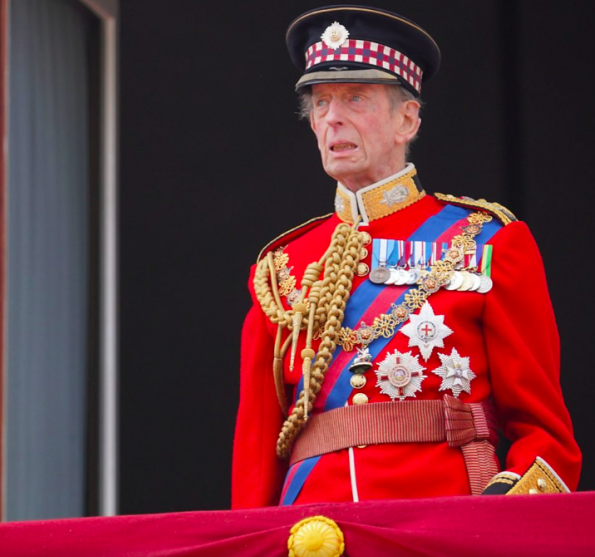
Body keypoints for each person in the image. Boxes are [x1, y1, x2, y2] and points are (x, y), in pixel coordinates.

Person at [231, 6, 581, 508]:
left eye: (355, 98)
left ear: (407, 119)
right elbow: (256, 457)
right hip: (312, 533)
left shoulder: (487, 241)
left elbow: (546, 437)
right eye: (321, 102)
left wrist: (496, 515)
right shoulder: (282, 265)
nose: (332, 118)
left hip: (443, 526)